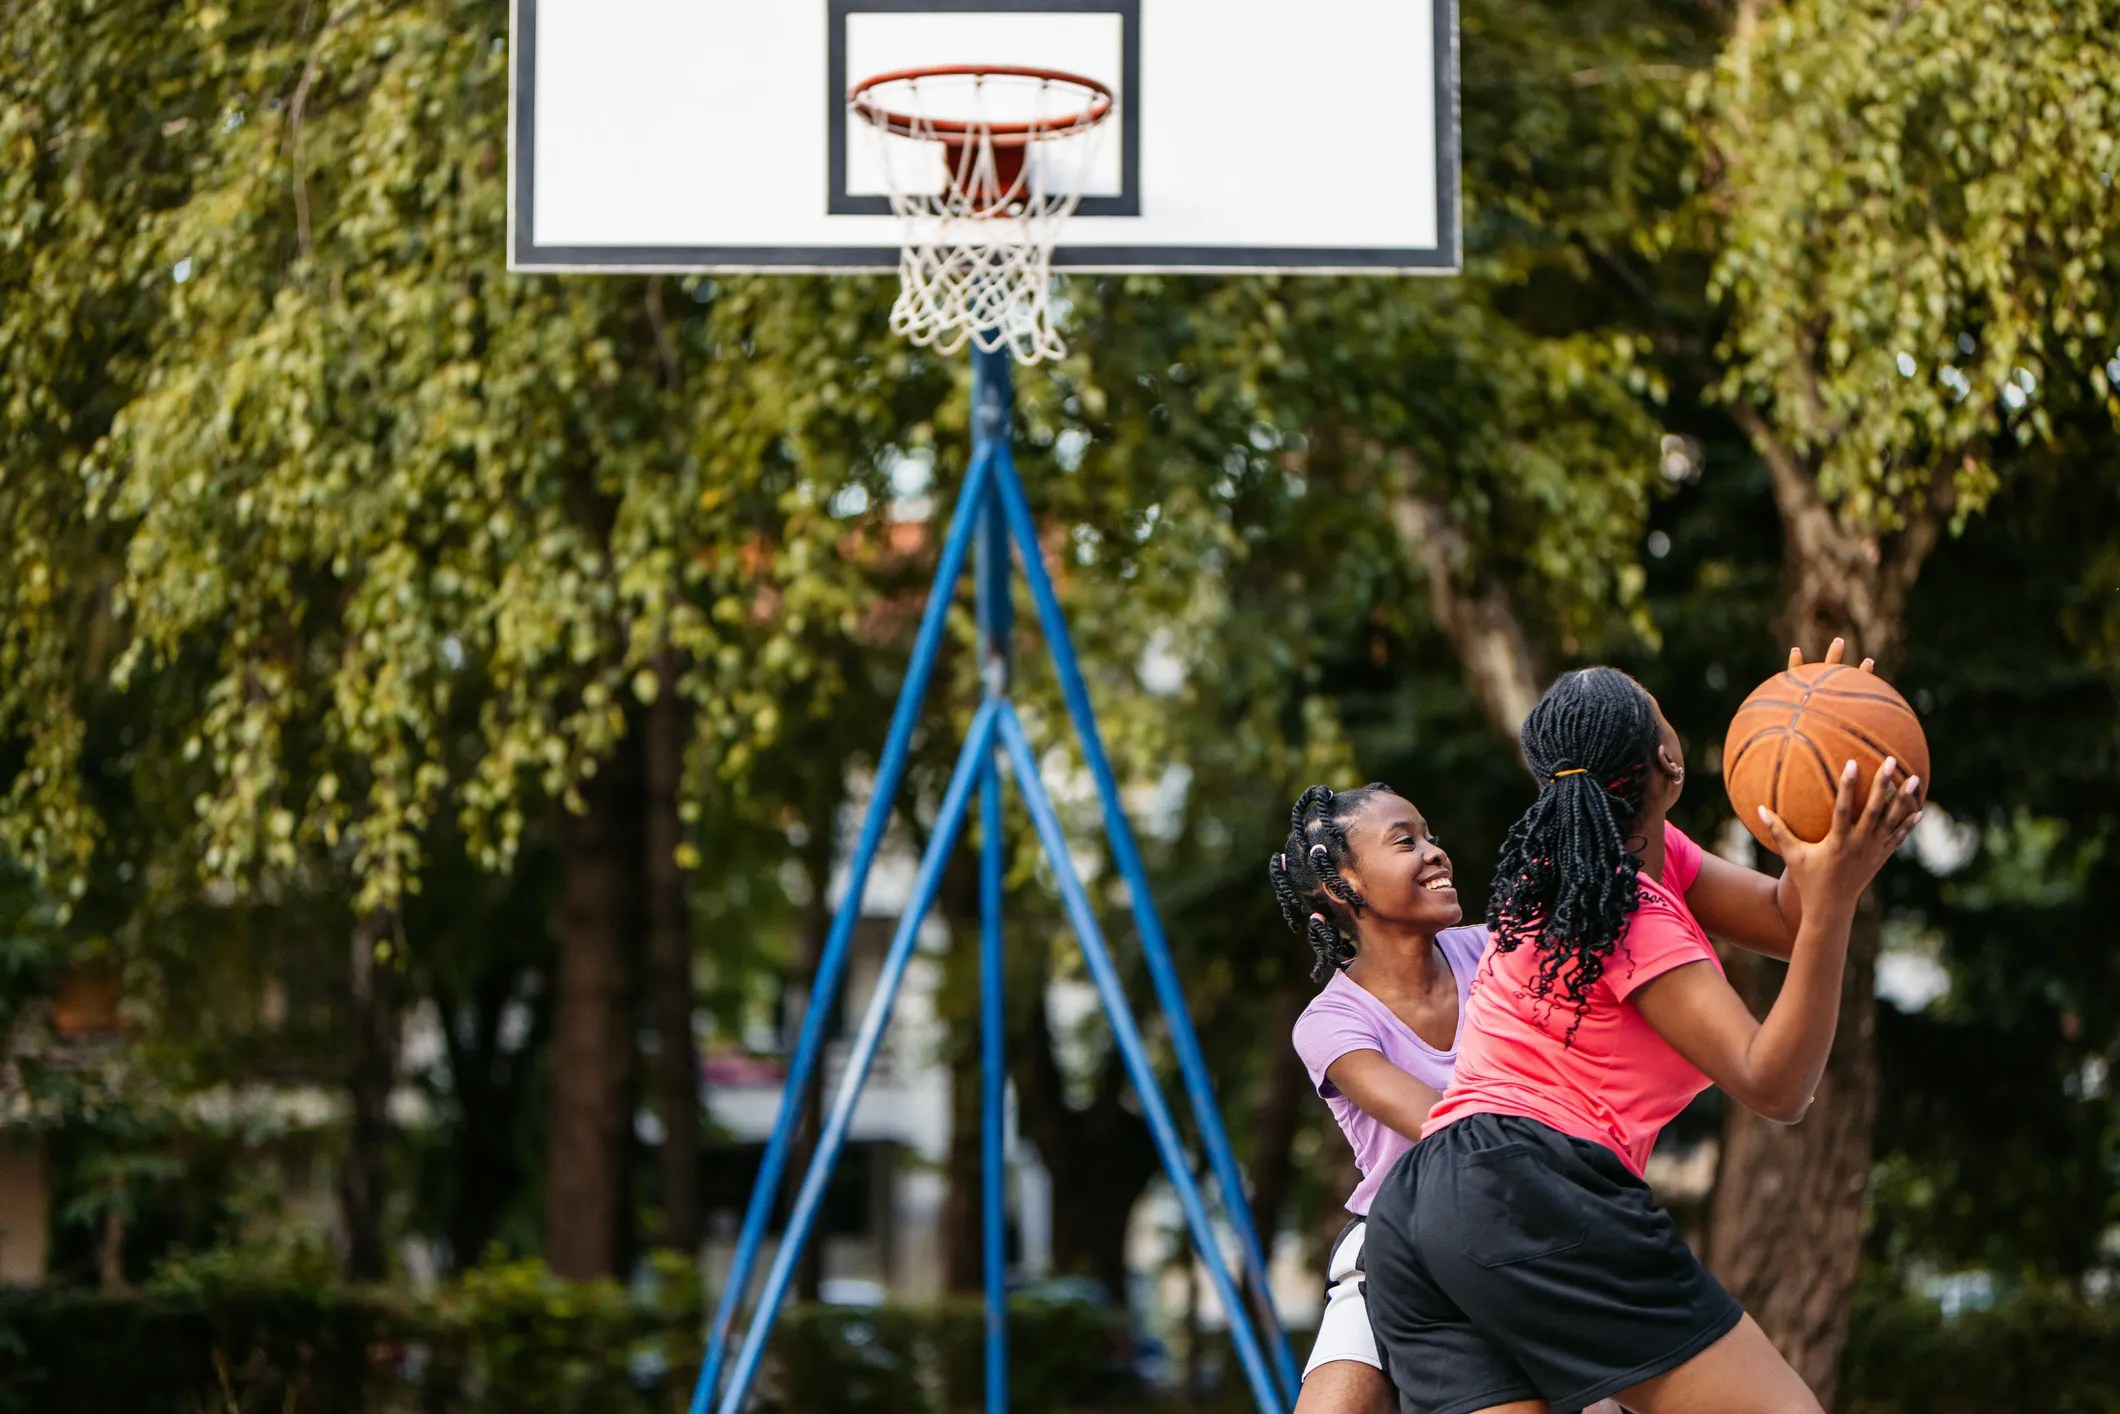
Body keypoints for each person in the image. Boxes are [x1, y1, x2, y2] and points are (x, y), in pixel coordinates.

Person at [1360, 645, 1924, 1414]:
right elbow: (1776, 1084)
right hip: (1533, 1190)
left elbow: (1789, 922)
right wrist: (1835, 900)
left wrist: (1819, 777)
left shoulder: (1603, 871)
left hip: (1422, 1205)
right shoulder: (1622, 907)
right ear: (1668, 760)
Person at [1272, 783, 1623, 1414]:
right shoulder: (1331, 1022)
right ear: (1341, 886)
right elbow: (1444, 1128)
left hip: (1524, 1228)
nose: (1436, 853)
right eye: (1406, 841)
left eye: (1431, 836)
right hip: (1401, 1244)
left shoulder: (1497, 952)